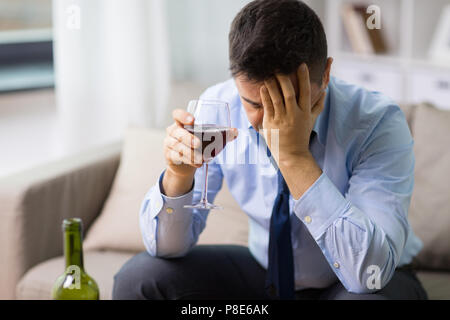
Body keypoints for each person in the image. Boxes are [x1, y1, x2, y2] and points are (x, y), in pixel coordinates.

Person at [112, 0, 428, 300]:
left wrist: (293, 157)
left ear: (326, 74)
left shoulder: (377, 123)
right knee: (139, 279)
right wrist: (178, 177)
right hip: (266, 270)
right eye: (254, 104)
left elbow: (367, 273)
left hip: (364, 278)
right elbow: (167, 249)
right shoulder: (220, 108)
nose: (273, 120)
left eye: (290, 101)